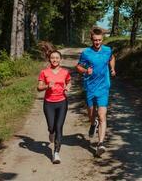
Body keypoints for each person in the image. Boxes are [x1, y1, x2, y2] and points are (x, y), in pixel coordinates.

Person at [76, 26, 116, 156]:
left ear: (102, 39)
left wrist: (112, 69)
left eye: (99, 40)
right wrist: (85, 71)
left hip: (104, 87)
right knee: (92, 115)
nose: (97, 42)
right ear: (91, 40)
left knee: (102, 115)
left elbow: (112, 58)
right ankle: (93, 124)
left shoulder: (107, 50)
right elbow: (78, 66)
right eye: (94, 40)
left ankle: (100, 144)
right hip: (90, 87)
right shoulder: (86, 53)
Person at [37, 47, 71, 164]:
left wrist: (67, 87)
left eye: (57, 58)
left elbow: (68, 82)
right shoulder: (44, 72)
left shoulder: (65, 72)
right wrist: (47, 86)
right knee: (51, 127)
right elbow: (39, 87)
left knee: (59, 127)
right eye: (52, 58)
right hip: (49, 103)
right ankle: (51, 133)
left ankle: (56, 153)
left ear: (60, 59)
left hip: (62, 102)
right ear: (49, 59)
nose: (54, 60)